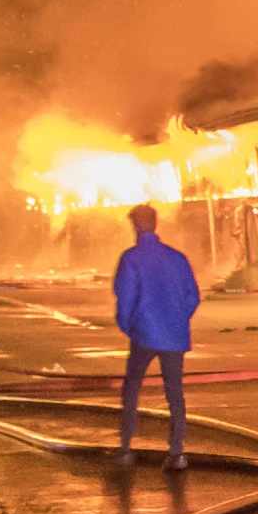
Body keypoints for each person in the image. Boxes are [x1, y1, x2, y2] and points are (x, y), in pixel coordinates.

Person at [111, 202, 200, 471]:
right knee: (174, 391)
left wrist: (130, 326)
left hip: (144, 334)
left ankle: (126, 448)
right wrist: (176, 321)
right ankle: (177, 452)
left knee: (132, 388)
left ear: (136, 226)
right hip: (174, 335)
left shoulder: (131, 258)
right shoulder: (177, 258)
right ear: (155, 224)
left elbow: (124, 299)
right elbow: (192, 297)